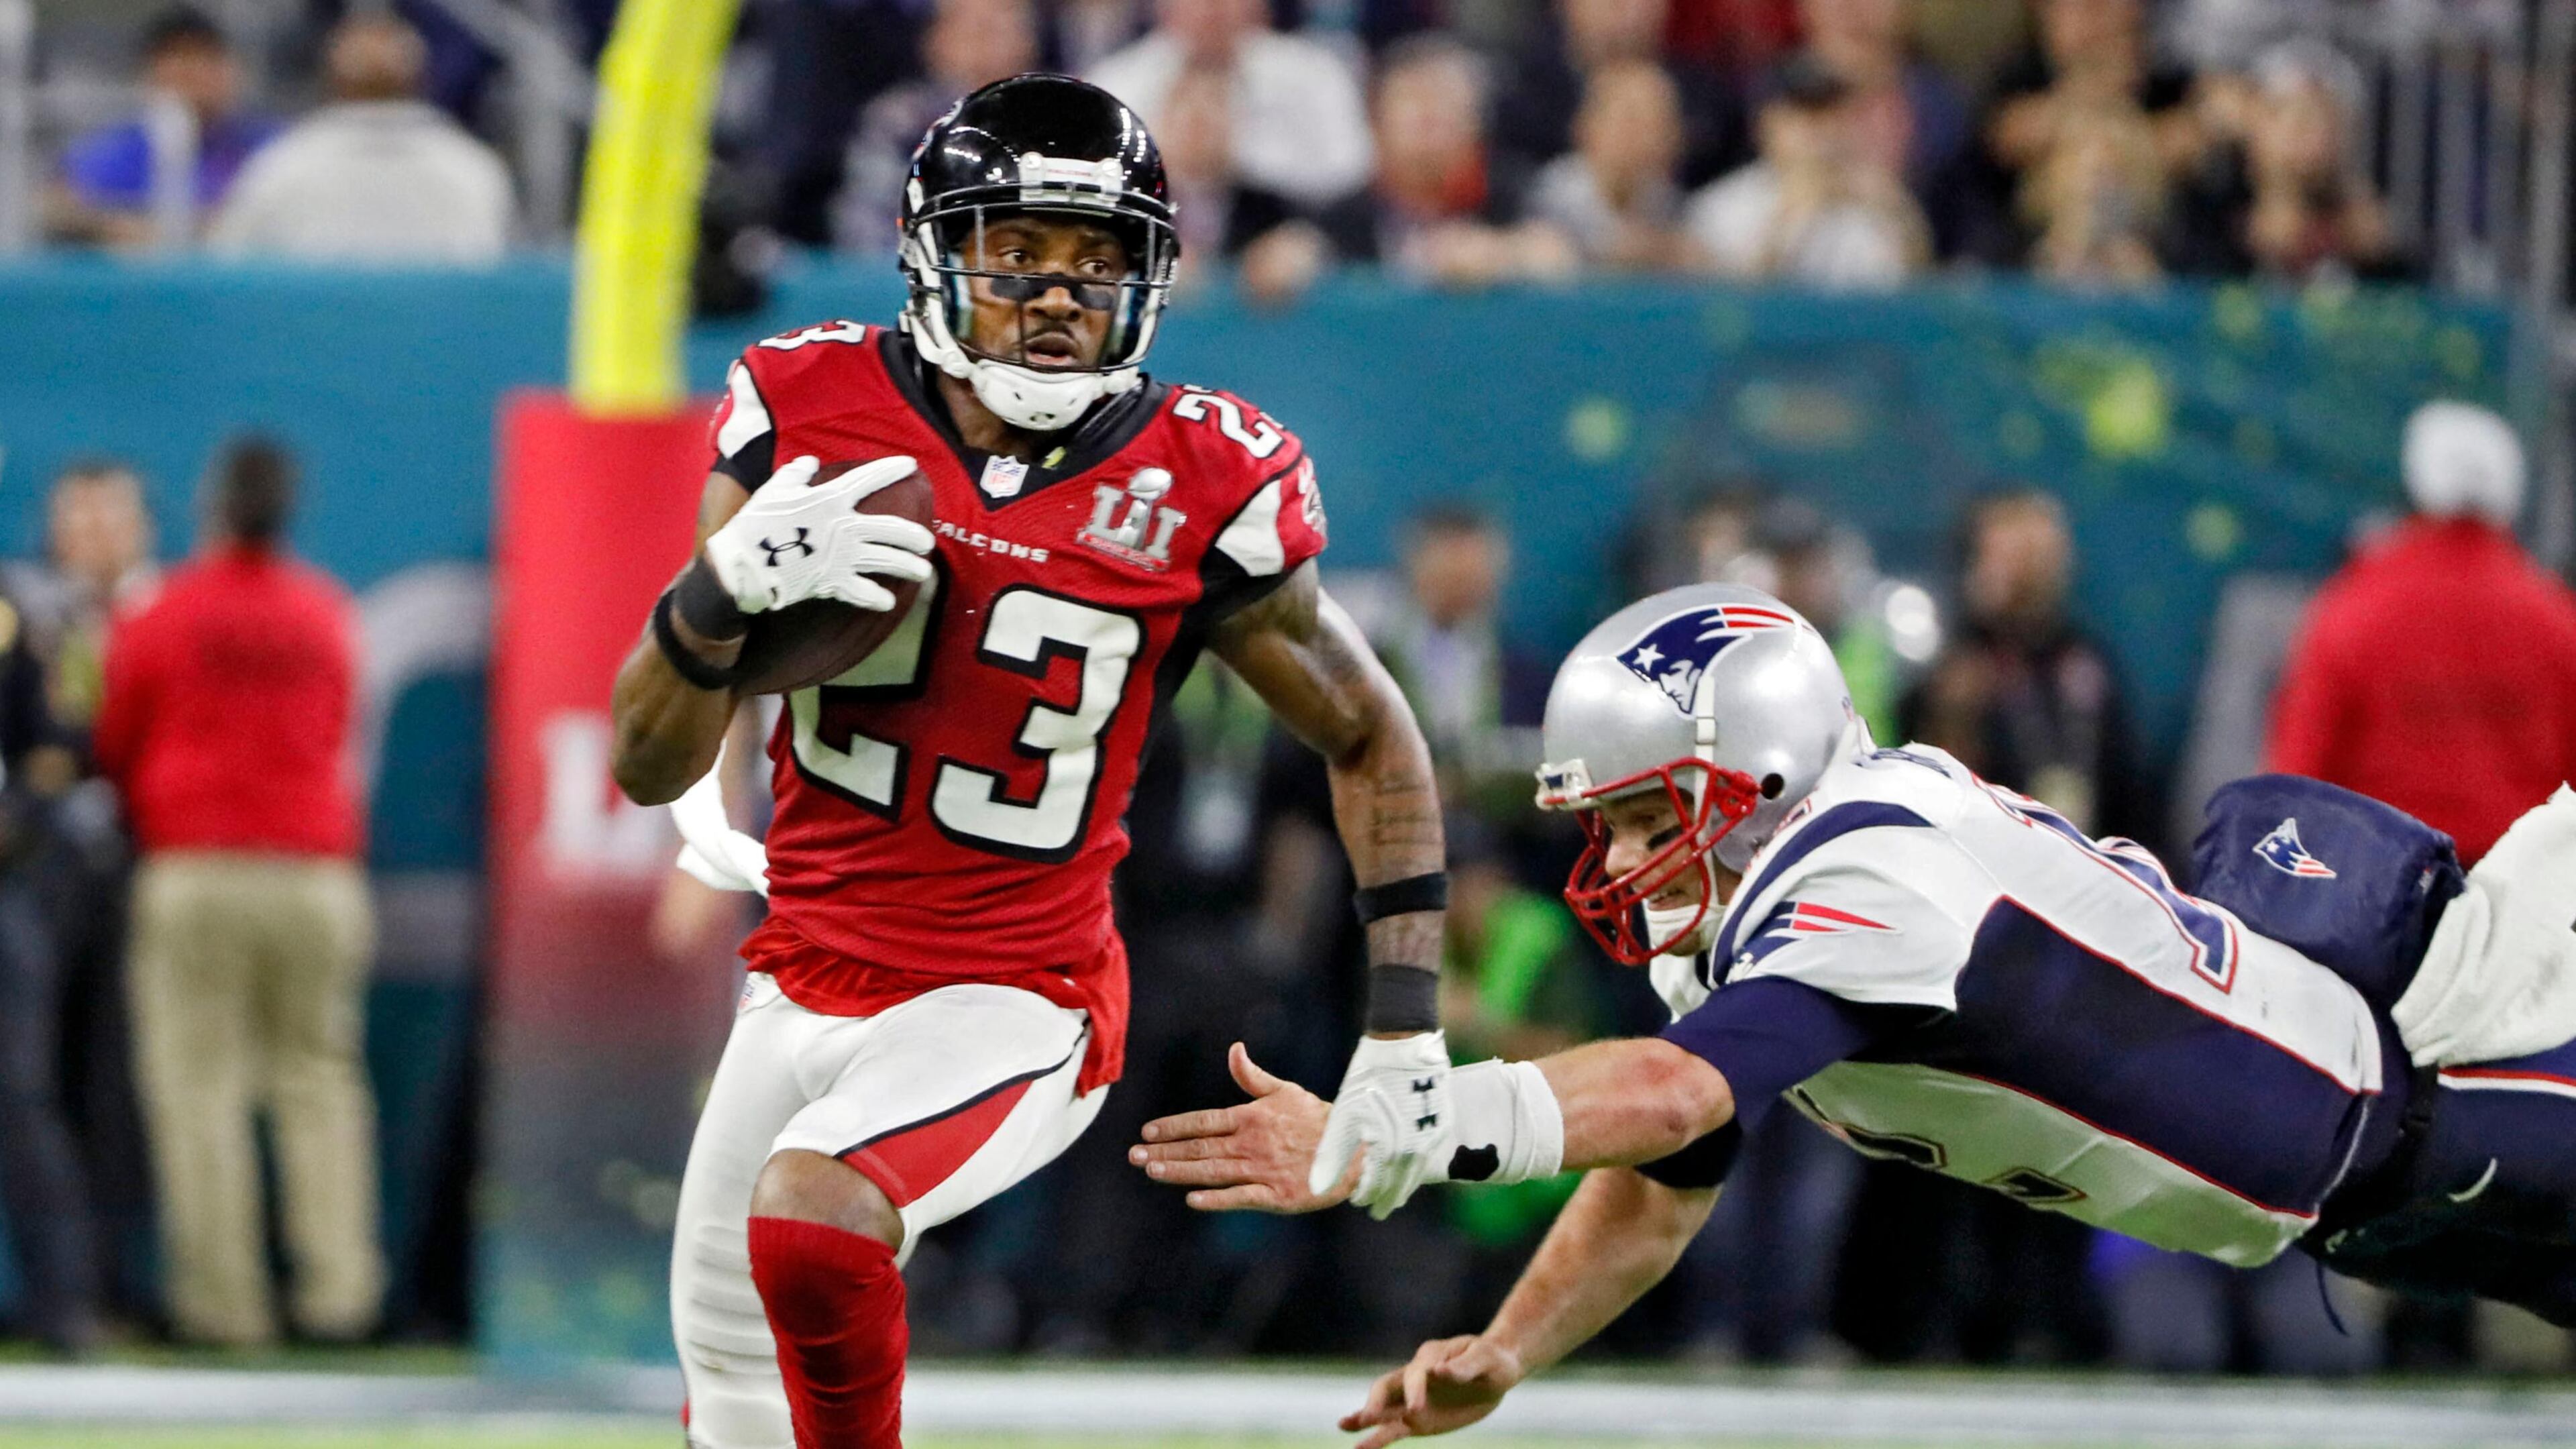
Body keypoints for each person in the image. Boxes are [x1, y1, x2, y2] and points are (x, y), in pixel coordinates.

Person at [1134, 582, 2576, 1442]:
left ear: (1757, 778)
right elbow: (1665, 1173)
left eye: (1646, 818)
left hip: (2479, 1089)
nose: (1620, 863)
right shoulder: (1769, 913)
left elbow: (1675, 1095)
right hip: (2377, 1206)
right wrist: (1511, 1348)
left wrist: (1398, 1131)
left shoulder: (1876, 867)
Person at [606, 76, 1454, 1448]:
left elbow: (1371, 733)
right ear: (936, 255)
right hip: (801, 971)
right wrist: (713, 597)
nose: (1060, 294)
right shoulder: (805, 403)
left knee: (818, 1220)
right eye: (1020, 252)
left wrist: (1406, 1022)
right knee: (733, 1395)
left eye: (1097, 261)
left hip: (1015, 993)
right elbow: (649, 762)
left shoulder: (1202, 473)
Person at [94, 438, 380, 1348]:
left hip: (198, 870)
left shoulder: (165, 611)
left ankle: (224, 1309)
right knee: (319, 1081)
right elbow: (341, 721)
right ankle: (339, 1299)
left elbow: (117, 733)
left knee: (200, 1088)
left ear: (210, 507)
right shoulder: (322, 610)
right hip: (315, 873)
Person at [2269, 401, 2576, 868]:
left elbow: (2297, 776)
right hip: (2518, 888)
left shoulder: (2353, 608)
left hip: (2378, 884)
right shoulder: (2555, 619)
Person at [0, 580, 103, 1357]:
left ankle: (63, 1303)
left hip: (7, 893)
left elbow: (59, 748)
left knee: (21, 1098)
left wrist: (15, 824)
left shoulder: (25, 617)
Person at [206, 12, 515, 263]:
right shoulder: (471, 169)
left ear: (331, 82)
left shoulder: (283, 166)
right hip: (433, 321)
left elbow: (226, 265)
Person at [1088, 0, 1374, 214]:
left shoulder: (1315, 76)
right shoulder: (1115, 85)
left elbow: (1352, 179)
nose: (1212, 9)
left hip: (1293, 244)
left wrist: (1236, 166)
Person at [1686, 54, 1928, 288]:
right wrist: (1789, 221)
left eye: (1832, 114)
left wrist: (1900, 215)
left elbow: (1913, 295)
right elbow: (1725, 307)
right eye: (1805, 114)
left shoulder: (1874, 197)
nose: (1820, 131)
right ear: (1767, 123)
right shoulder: (1722, 207)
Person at [48, 5, 280, 250]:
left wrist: (197, 229)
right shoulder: (121, 150)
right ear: (148, 74)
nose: (194, 74)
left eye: (207, 59)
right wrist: (109, 226)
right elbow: (57, 204)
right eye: (180, 60)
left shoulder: (268, 149)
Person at [831, 0, 1039, 255]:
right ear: (936, 41)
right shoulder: (902, 121)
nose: (987, 44)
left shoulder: (1051, 118)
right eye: (972, 29)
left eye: (1000, 29)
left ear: (1029, 41)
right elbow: (864, 220)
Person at [1523, 59, 1698, 272]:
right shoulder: (1554, 194)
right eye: (1631, 121)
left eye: (1658, 122)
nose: (1645, 137)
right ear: (1587, 126)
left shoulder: (1667, 202)